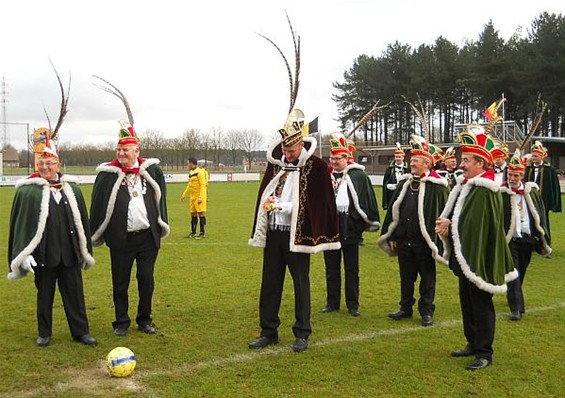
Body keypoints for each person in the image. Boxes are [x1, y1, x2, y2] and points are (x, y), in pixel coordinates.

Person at [248, 108, 340, 352]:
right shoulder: (277, 164)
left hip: (298, 235)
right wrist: (268, 205)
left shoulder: (316, 168)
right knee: (270, 283)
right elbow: (266, 191)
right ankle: (268, 330)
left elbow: (319, 203)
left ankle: (302, 332)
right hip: (275, 233)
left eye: (291, 151)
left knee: (301, 283)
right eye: (285, 150)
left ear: (300, 144)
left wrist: (287, 206)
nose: (287, 155)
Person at [90, 77, 169, 337]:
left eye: (126, 149)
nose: (121, 153)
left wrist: (161, 225)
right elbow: (98, 202)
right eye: (119, 149)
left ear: (137, 150)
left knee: (146, 280)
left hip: (147, 238)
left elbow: (161, 198)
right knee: (120, 283)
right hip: (121, 239)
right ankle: (120, 322)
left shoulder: (151, 171)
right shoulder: (108, 174)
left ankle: (145, 319)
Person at [435, 126, 517, 371]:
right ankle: (472, 342)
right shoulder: (469, 185)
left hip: (478, 255)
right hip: (466, 254)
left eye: (467, 160)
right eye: (462, 159)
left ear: (481, 163)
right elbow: (466, 221)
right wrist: (450, 225)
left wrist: (450, 226)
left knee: (481, 304)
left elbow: (478, 226)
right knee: (467, 302)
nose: (462, 164)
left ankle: (485, 352)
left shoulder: (485, 190)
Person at [8, 134, 97, 347]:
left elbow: (81, 223)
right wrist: (25, 253)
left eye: (49, 163)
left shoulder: (72, 189)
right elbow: (22, 226)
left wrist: (84, 251)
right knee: (44, 295)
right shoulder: (29, 191)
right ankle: (44, 333)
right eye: (41, 163)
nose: (45, 167)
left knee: (75, 295)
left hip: (70, 254)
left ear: (58, 164)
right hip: (44, 255)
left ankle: (81, 332)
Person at [378, 135, 449, 327]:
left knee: (427, 279)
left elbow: (446, 212)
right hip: (404, 241)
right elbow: (395, 210)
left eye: (416, 160)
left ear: (426, 164)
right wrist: (393, 235)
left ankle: (426, 311)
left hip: (425, 243)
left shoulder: (437, 187)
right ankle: (405, 307)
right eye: (412, 160)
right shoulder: (404, 183)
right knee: (406, 278)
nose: (412, 163)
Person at [321, 133, 380, 317]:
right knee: (331, 269)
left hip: (350, 230)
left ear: (347, 158)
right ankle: (332, 302)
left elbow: (365, 200)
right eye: (332, 158)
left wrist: (355, 221)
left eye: (338, 158)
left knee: (351, 269)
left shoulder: (358, 176)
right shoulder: (327, 176)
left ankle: (353, 304)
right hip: (330, 229)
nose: (334, 161)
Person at [501, 149, 552, 321]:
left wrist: (542, 237)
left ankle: (514, 293)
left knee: (521, 271)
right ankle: (517, 309)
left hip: (528, 238)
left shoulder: (532, 192)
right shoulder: (501, 193)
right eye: (510, 175)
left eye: (516, 175)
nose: (512, 179)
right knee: (513, 271)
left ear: (522, 175)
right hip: (510, 239)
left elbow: (540, 216)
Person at [524, 140, 561, 239]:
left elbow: (554, 188)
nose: (534, 158)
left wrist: (553, 203)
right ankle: (531, 243)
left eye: (536, 156)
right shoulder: (528, 168)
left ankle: (545, 242)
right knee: (530, 221)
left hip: (543, 201)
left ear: (542, 156)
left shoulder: (550, 170)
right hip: (530, 200)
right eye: (533, 156)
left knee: (544, 222)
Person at [181, 157, 208, 239]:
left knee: (201, 214)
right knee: (193, 214)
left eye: (188, 163)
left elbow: (203, 185)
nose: (187, 165)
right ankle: (193, 232)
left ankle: (202, 233)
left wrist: (201, 197)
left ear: (192, 163)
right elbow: (189, 185)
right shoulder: (191, 172)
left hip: (199, 197)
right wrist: (184, 194)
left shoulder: (200, 172)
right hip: (192, 197)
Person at [382, 143, 409, 210]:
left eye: (399, 157)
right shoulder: (389, 169)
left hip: (404, 194)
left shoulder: (408, 169)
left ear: (403, 157)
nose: (398, 158)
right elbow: (385, 182)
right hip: (392, 194)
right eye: (396, 157)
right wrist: (388, 186)